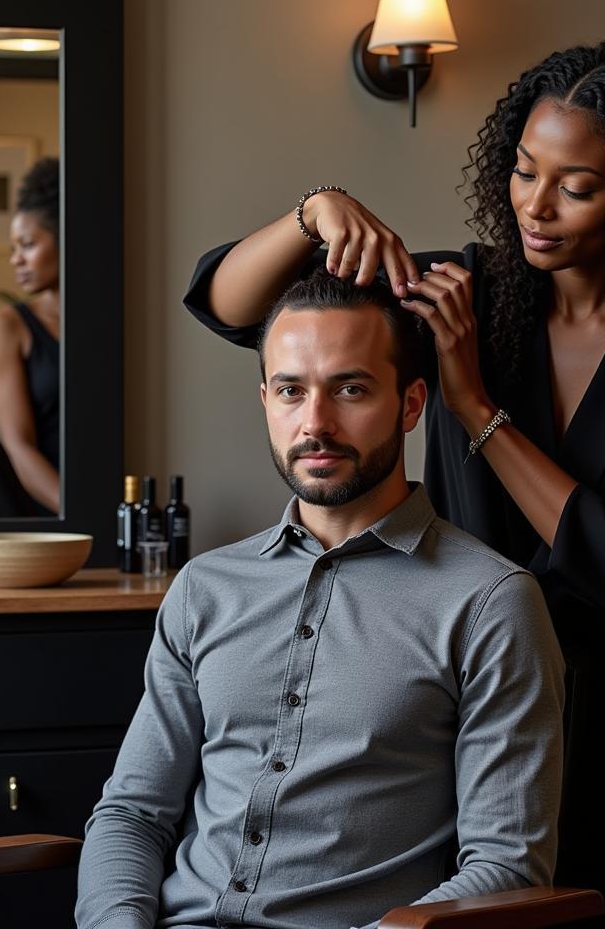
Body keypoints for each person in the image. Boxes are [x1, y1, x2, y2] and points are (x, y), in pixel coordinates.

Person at [184, 42, 605, 927]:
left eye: (577, 185)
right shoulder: (460, 292)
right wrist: (315, 212)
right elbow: (232, 306)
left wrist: (476, 406)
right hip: (459, 718)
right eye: (525, 171)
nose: (536, 204)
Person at [77, 268, 564, 929]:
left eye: (351, 389)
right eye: (291, 391)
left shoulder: (490, 603)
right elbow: (132, 814)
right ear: (266, 402)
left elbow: (506, 867)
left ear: (411, 404)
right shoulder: (203, 589)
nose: (316, 423)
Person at [0, 156, 60, 513]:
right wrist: (81, 512)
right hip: (47, 517)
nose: (16, 259)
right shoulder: (5, 328)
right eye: (14, 248)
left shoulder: (110, 325)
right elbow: (18, 447)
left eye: (27, 245)